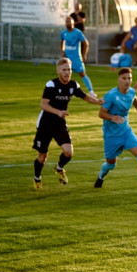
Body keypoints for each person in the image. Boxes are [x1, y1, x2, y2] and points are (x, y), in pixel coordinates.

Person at [32, 57, 104, 189]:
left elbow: (85, 97)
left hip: (59, 123)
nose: (67, 72)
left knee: (68, 152)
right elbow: (43, 104)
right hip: (45, 124)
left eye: (69, 70)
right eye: (64, 70)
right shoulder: (51, 85)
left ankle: (59, 168)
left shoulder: (73, 85)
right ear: (58, 70)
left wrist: (98, 101)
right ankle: (37, 178)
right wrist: (58, 112)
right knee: (42, 157)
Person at [93, 67, 137, 195]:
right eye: (124, 78)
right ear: (118, 79)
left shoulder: (131, 91)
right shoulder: (111, 95)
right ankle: (101, 176)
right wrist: (113, 117)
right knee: (111, 165)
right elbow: (101, 113)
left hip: (126, 132)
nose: (127, 81)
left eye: (129, 78)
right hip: (111, 136)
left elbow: (133, 98)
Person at [60, 15, 95, 95]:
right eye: (66, 21)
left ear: (73, 23)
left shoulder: (78, 32)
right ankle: (63, 91)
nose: (68, 23)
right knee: (65, 74)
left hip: (76, 58)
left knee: (82, 74)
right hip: (67, 58)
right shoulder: (63, 33)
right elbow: (62, 42)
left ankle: (91, 91)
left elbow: (86, 43)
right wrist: (62, 51)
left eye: (69, 21)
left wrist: (84, 55)